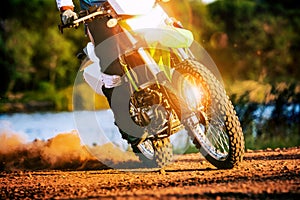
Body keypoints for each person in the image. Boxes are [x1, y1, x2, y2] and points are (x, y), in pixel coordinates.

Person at [55, 0, 144, 148]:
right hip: (98, 17)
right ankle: (125, 121)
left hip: (131, 10)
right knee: (112, 64)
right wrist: (66, 10)